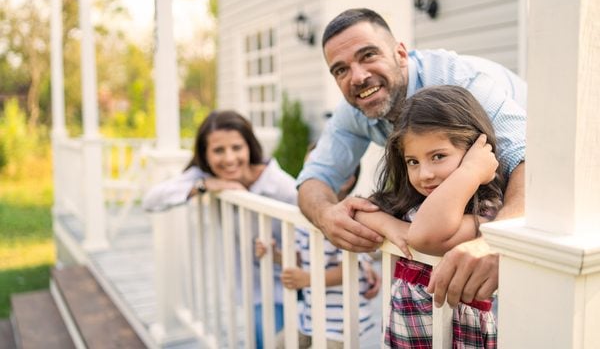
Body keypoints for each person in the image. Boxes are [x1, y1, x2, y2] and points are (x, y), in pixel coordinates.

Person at [296, 8, 526, 308]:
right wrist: (326, 216)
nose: (358, 77)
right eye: (341, 70)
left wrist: (498, 244)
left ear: (400, 54)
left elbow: (530, 163)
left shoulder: (460, 81)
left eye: (368, 55)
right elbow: (314, 178)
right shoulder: (353, 110)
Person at [355, 85, 503, 347]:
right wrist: (391, 226)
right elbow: (359, 211)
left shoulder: (485, 211)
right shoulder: (411, 204)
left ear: (474, 151)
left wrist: (469, 171)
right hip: (405, 335)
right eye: (413, 161)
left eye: (438, 156)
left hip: (457, 336)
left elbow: (424, 236)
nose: (424, 174)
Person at [142, 110, 296, 349]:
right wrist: (206, 185)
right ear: (205, 154)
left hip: (292, 285)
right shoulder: (205, 176)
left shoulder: (281, 186)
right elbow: (152, 200)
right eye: (218, 150)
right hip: (253, 288)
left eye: (237, 148)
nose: (229, 159)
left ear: (250, 147)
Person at [256, 164, 380, 348]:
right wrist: (275, 255)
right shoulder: (305, 218)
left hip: (339, 323)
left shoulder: (351, 218)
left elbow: (352, 270)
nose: (306, 178)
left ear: (347, 180)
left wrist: (308, 279)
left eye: (315, 171)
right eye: (305, 169)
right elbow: (300, 256)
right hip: (309, 317)